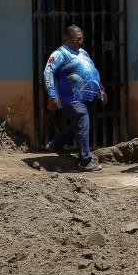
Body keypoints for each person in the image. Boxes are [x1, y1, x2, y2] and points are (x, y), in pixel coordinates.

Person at [42, 25, 105, 172]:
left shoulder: (83, 52)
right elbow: (48, 73)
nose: (80, 42)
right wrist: (52, 95)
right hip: (70, 96)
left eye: (81, 38)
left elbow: (91, 70)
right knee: (82, 117)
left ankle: (57, 143)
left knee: (82, 121)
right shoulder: (60, 54)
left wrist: (100, 88)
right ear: (66, 39)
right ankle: (85, 160)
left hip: (86, 96)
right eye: (77, 39)